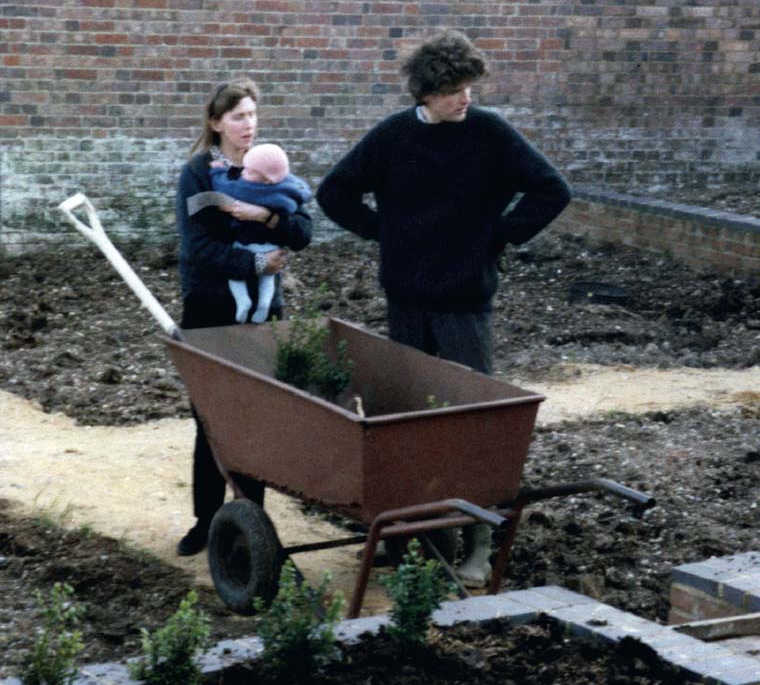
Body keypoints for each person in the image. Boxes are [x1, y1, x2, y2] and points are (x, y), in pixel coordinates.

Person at [317, 31, 571, 586]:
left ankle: (478, 544)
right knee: (410, 421)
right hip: (407, 301)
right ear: (425, 94)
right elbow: (334, 191)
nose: (466, 99)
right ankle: (420, 538)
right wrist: (386, 233)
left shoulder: (491, 134)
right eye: (454, 90)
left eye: (469, 88)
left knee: (474, 422)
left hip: (464, 304)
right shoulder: (392, 138)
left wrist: (497, 237)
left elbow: (552, 189)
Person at [175, 78, 312, 556]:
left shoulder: (271, 166)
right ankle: (205, 522)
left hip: (262, 317)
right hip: (210, 311)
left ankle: (250, 522)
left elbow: (302, 231)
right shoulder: (198, 175)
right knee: (210, 417)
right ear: (216, 124)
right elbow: (197, 248)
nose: (248, 124)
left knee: (255, 418)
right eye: (237, 117)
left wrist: (268, 219)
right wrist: (254, 263)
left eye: (252, 115)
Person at [208, 143, 312, 323]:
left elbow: (223, 187)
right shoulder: (287, 187)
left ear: (264, 178)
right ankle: (264, 303)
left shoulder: (246, 187)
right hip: (271, 248)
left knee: (236, 277)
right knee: (268, 280)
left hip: (246, 244)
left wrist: (217, 170)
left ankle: (243, 301)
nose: (243, 174)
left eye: (248, 172)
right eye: (239, 117)